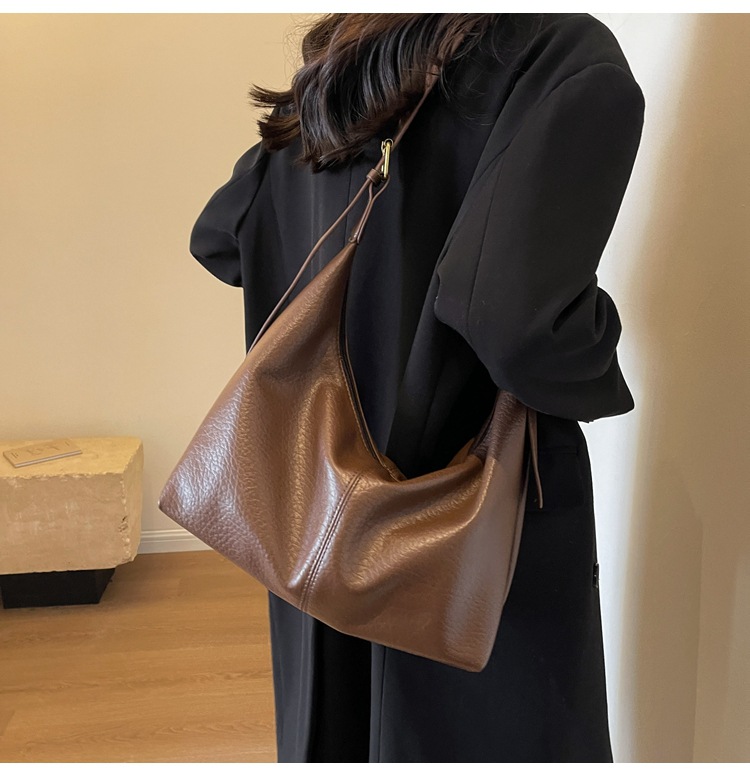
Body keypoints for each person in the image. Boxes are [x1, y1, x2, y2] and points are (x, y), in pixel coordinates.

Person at [188, 12, 645, 763]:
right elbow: (514, 322)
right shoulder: (554, 52)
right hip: (460, 518)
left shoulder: (343, 65)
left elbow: (218, 237)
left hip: (309, 505)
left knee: (331, 729)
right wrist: (598, 343)